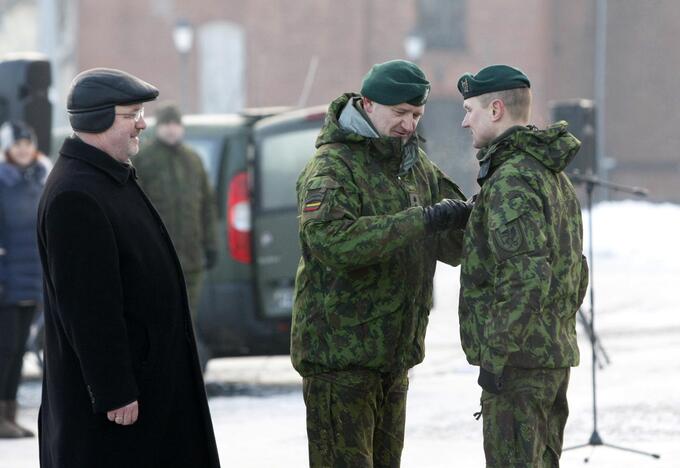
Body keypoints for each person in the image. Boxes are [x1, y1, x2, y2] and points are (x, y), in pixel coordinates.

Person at [36, 68, 220, 468]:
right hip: (121, 412)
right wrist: (113, 388)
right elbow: (88, 307)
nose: (142, 123)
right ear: (98, 118)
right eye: (131, 113)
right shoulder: (76, 194)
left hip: (151, 387)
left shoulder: (107, 177)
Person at [291, 59, 472, 467]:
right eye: (400, 114)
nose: (409, 126)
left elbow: (453, 245)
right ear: (368, 105)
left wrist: (474, 215)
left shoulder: (414, 166)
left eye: (416, 115)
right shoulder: (333, 167)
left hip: (393, 354)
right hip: (341, 360)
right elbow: (331, 242)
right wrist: (421, 221)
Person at [456, 64, 589, 467]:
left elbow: (526, 276)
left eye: (470, 110)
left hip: (518, 366)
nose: (464, 121)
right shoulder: (550, 174)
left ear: (495, 110)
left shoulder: (513, 179)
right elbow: (574, 270)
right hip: (549, 356)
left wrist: (495, 356)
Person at [133, 103, 217, 367]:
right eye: (167, 124)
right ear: (159, 127)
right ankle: (167, 367)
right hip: (159, 256)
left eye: (175, 124)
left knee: (188, 316)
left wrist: (211, 244)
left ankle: (186, 368)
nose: (171, 130)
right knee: (164, 316)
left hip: (191, 257)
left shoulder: (193, 160)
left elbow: (207, 205)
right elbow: (135, 207)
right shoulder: (144, 160)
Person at [0, 121, 48, 438]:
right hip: (6, 282)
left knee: (18, 351)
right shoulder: (2, 183)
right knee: (4, 350)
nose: (23, 149)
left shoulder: (39, 180)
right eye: (17, 144)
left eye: (27, 144)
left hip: (32, 280)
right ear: (7, 149)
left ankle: (10, 412)